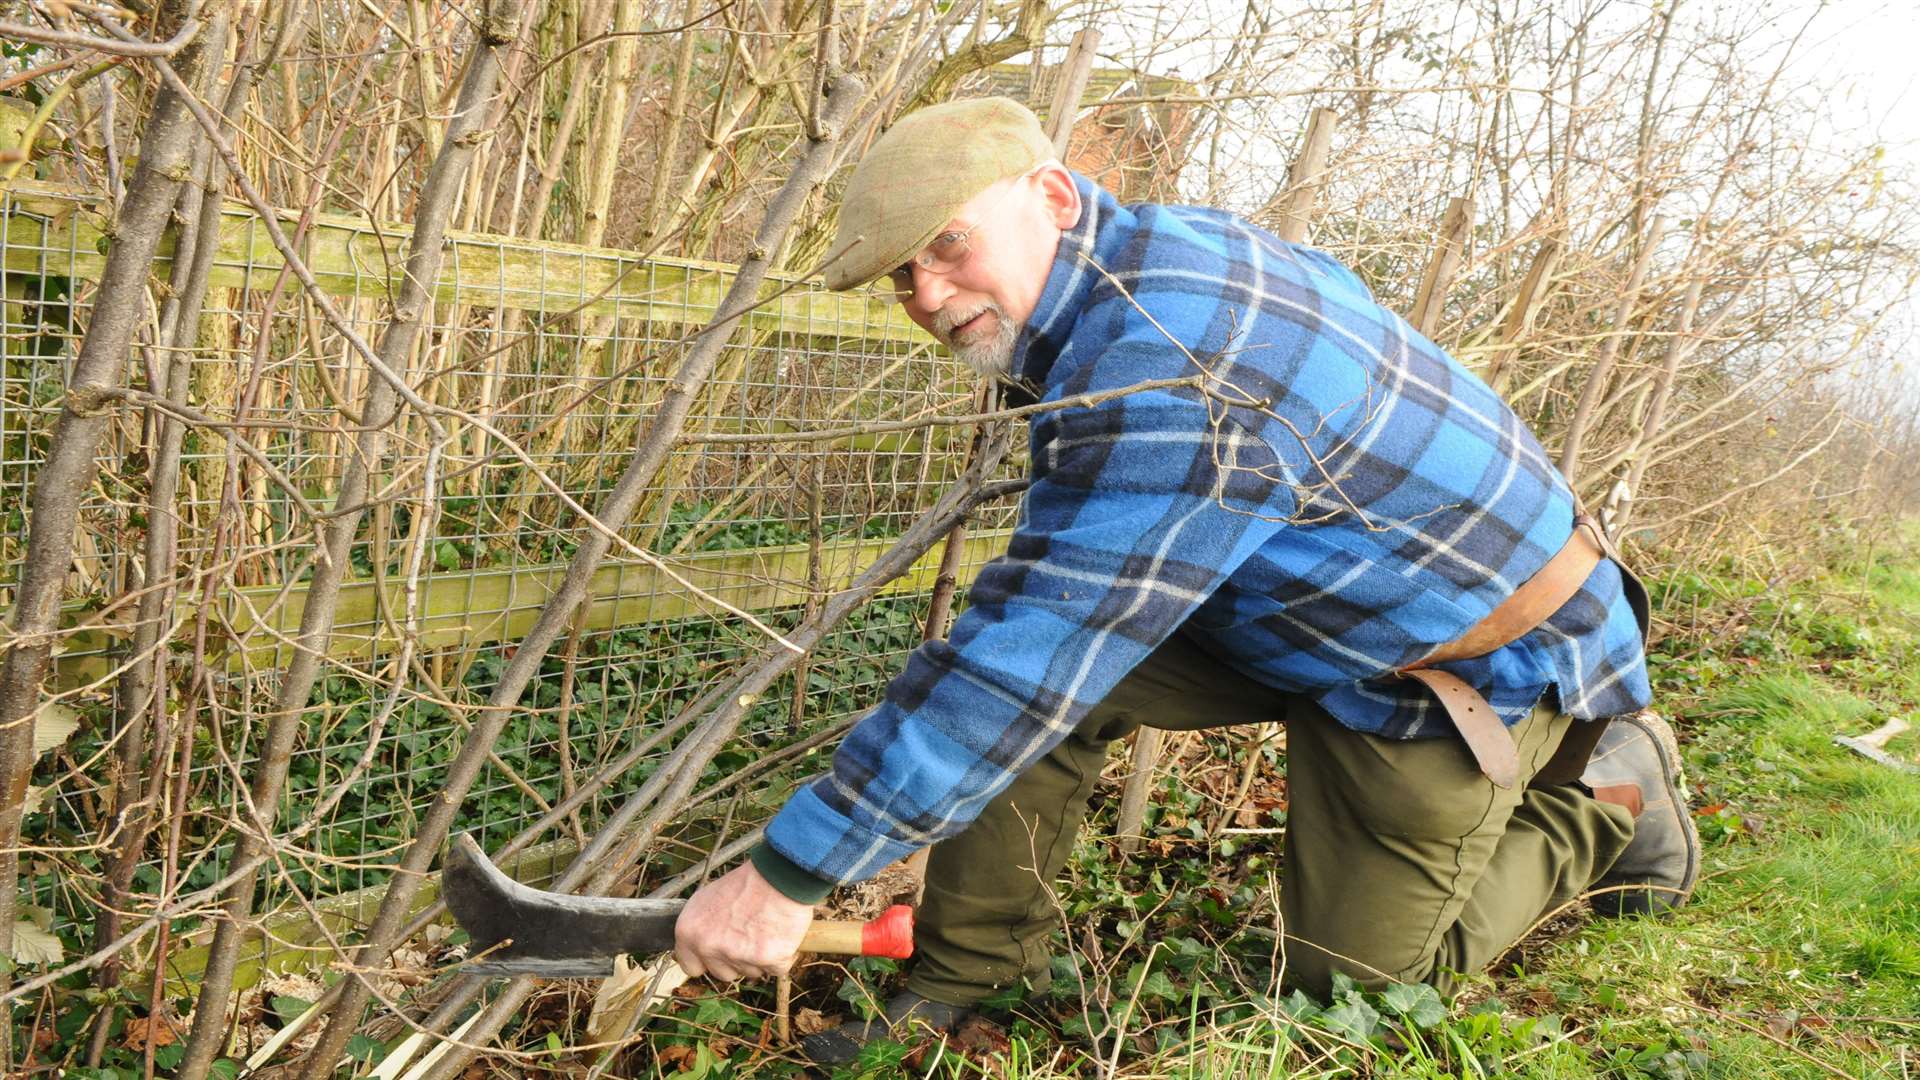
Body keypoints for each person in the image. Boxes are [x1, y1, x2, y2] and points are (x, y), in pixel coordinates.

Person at [673, 96, 1699, 1063]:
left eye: (949, 243)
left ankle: (1610, 802)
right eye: (903, 276)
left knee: (1352, 997)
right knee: (1036, 697)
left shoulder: (1174, 361)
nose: (929, 295)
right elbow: (1038, 650)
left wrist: (788, 875)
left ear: (1054, 197)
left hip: (1461, 656)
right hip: (1292, 602)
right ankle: (961, 980)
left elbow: (1025, 656)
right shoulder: (1141, 262)